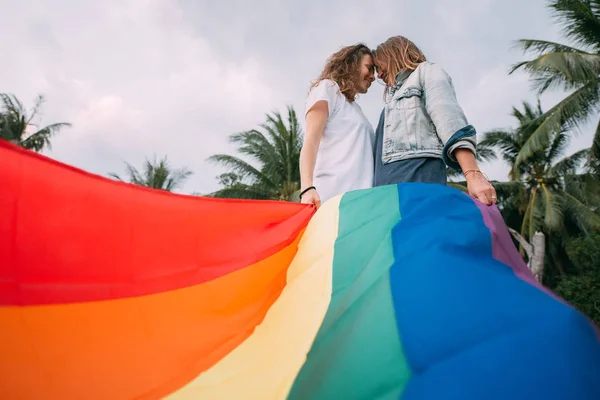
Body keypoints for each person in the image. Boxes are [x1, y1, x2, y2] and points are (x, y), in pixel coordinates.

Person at [371, 36, 497, 205]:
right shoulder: (390, 103)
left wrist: (473, 175)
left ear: (394, 55)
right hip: (385, 193)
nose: (378, 75)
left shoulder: (427, 72)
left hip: (417, 182)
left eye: (380, 66)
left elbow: (449, 118)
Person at [299, 43, 376, 209]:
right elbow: (311, 140)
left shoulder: (356, 110)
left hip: (360, 204)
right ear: (352, 64)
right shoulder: (328, 88)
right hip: (330, 199)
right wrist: (307, 187)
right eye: (369, 68)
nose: (373, 76)